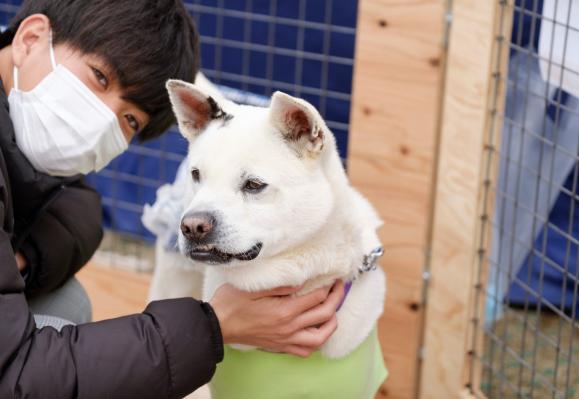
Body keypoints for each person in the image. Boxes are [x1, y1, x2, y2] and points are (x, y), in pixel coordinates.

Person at [0, 1, 344, 398]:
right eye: (99, 77)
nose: (103, 121)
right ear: (30, 39)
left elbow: (78, 202)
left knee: (66, 302)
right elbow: (15, 375)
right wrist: (214, 325)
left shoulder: (22, 126)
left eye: (130, 120)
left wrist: (21, 254)